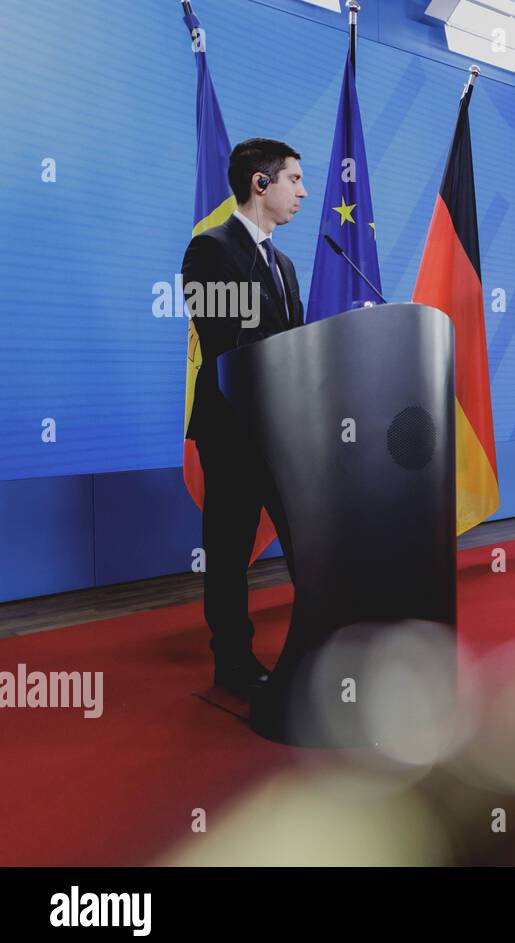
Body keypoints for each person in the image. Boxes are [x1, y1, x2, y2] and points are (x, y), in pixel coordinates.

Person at [182, 138, 308, 696]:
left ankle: (320, 642)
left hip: (286, 433)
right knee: (230, 553)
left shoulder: (284, 263)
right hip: (233, 431)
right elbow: (227, 342)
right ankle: (232, 661)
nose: (303, 192)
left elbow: (296, 347)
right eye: (294, 180)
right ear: (261, 184)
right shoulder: (210, 249)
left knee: (310, 542)